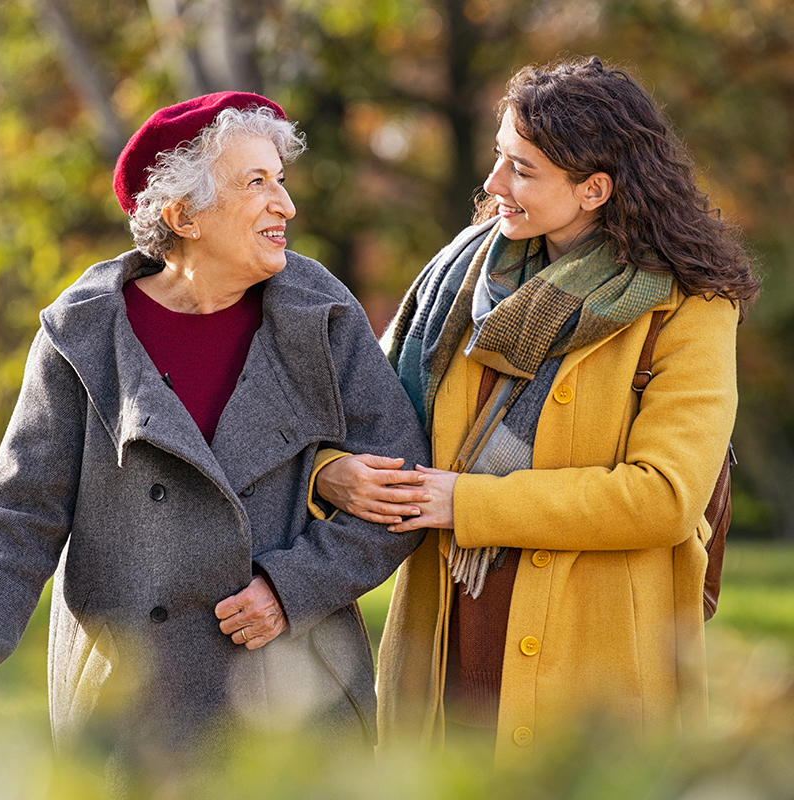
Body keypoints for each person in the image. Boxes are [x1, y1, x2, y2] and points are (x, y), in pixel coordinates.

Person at [0, 91, 430, 783]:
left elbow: (400, 489)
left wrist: (291, 586)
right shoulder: (84, 336)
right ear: (183, 215)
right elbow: (21, 515)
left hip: (295, 697)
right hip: (134, 706)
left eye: (281, 179)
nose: (286, 205)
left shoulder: (321, 314)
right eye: (256, 183)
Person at [313, 56, 759, 765]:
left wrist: (471, 503)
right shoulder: (456, 284)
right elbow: (353, 418)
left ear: (594, 189)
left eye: (521, 169)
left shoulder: (692, 308)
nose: (493, 187)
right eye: (498, 159)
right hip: (445, 647)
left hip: (595, 669)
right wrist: (333, 473)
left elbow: (665, 497)